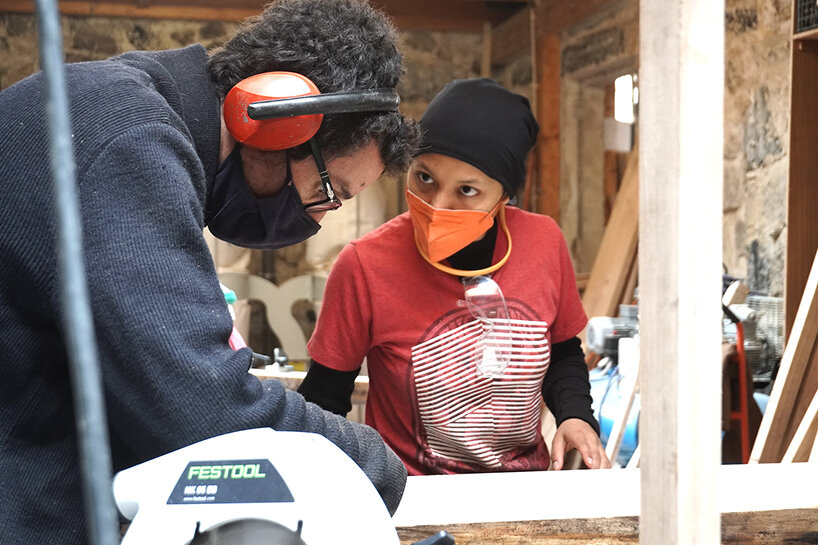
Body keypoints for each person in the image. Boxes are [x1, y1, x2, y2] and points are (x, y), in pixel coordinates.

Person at [0, 0, 420, 542]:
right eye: (327, 189)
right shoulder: (126, 139)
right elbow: (204, 413)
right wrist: (371, 459)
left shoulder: (125, 108)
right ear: (274, 116)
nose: (317, 218)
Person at [299, 78, 610, 475]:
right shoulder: (364, 266)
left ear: (504, 196)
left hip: (523, 490)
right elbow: (324, 397)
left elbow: (563, 352)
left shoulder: (543, 243)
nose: (438, 204)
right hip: (411, 494)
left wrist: (575, 415)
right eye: (424, 178)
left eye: (467, 190)